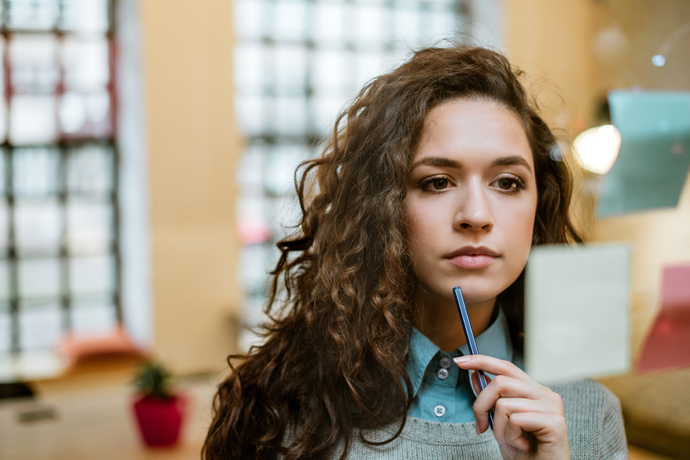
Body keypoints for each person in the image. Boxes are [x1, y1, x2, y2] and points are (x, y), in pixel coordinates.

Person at [203, 45, 627, 460]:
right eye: (438, 182)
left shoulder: (589, 416)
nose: (476, 215)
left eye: (508, 182)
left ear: (539, 207)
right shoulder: (286, 409)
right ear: (382, 207)